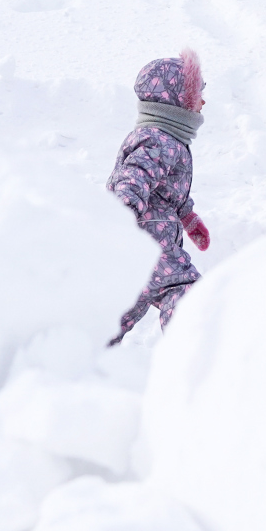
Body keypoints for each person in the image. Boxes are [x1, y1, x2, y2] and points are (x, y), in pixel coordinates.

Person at [108, 50, 213, 342]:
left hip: (144, 243)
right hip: (151, 243)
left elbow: (167, 191)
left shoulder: (166, 139)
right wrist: (123, 211)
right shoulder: (158, 139)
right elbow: (133, 178)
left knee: (116, 313)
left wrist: (188, 217)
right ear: (175, 100)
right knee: (184, 292)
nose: (203, 102)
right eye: (197, 93)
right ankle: (194, 353)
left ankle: (83, 353)